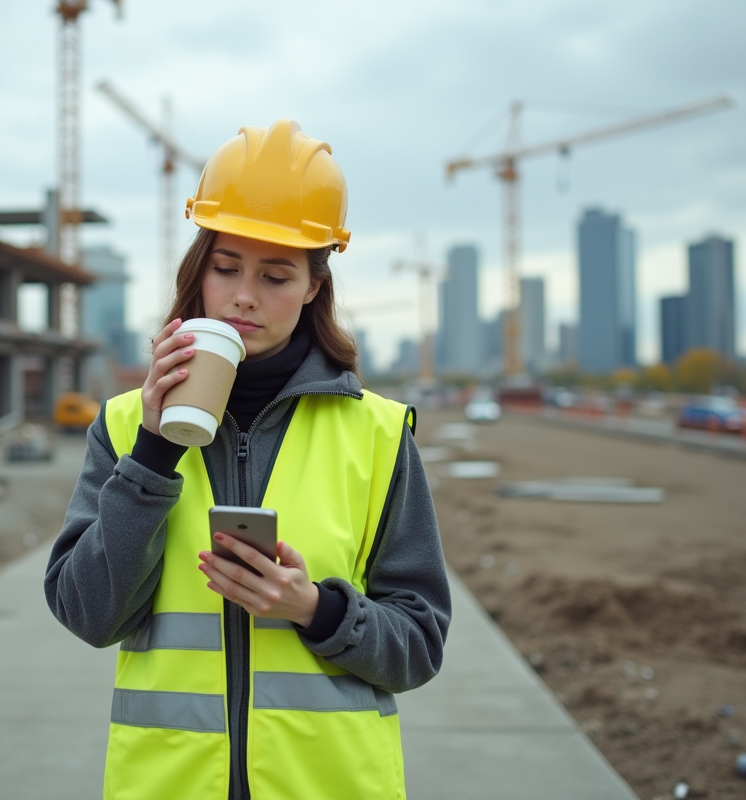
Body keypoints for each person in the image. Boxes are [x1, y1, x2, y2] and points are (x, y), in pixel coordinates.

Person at [45, 119, 450, 800]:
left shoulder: (377, 434)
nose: (243, 297)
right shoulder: (122, 425)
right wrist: (151, 454)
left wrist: (317, 610)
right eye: (227, 267)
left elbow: (419, 645)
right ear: (198, 272)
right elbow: (88, 616)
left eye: (276, 275)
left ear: (315, 285)